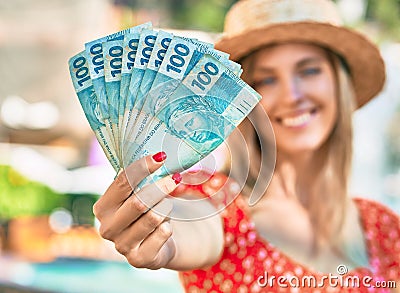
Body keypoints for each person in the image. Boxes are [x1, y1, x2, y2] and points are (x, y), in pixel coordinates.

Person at [93, 0, 400, 291]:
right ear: (239, 103)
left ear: (338, 83)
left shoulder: (383, 225)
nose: (292, 95)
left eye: (309, 71)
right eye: (266, 80)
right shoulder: (221, 206)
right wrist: (156, 236)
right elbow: (186, 229)